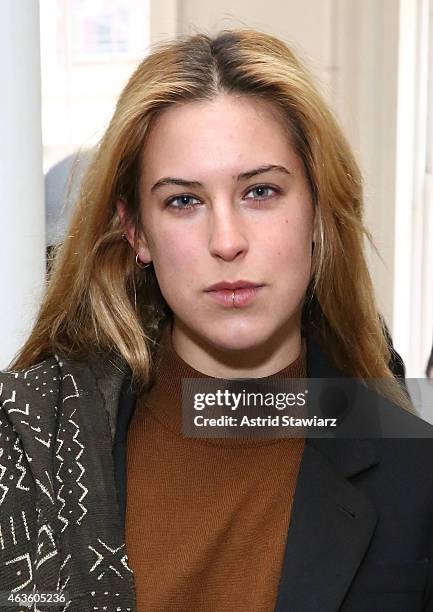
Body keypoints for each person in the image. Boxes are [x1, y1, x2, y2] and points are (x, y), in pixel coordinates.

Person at [1, 30, 433, 612]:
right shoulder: (34, 441)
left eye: (260, 191)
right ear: (136, 232)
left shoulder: (414, 472)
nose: (226, 242)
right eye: (183, 200)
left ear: (317, 212)